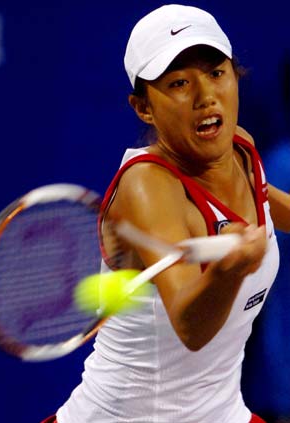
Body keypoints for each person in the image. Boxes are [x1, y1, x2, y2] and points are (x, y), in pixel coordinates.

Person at [41, 4, 290, 423]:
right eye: (178, 82)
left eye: (216, 73)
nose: (206, 95)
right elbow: (192, 328)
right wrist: (228, 271)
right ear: (144, 108)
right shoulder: (148, 187)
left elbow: (268, 203)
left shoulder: (241, 148)